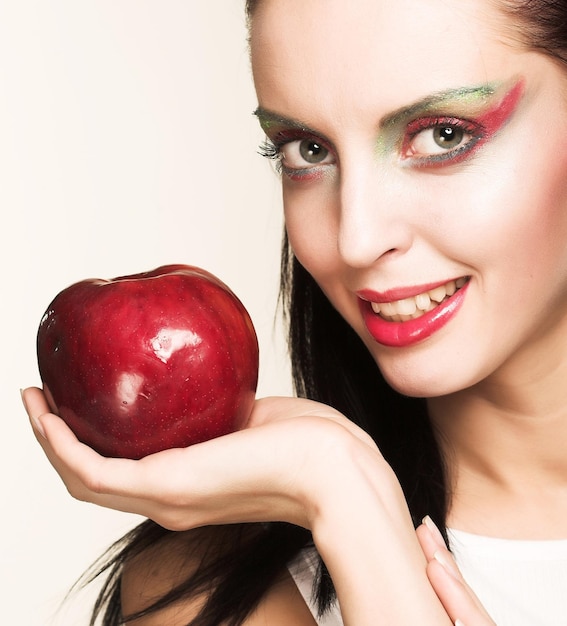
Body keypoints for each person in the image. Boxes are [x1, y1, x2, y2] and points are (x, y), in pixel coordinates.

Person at [22, 0, 567, 623]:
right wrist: (343, 492)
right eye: (307, 150)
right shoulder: (214, 595)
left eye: (444, 135)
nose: (354, 239)